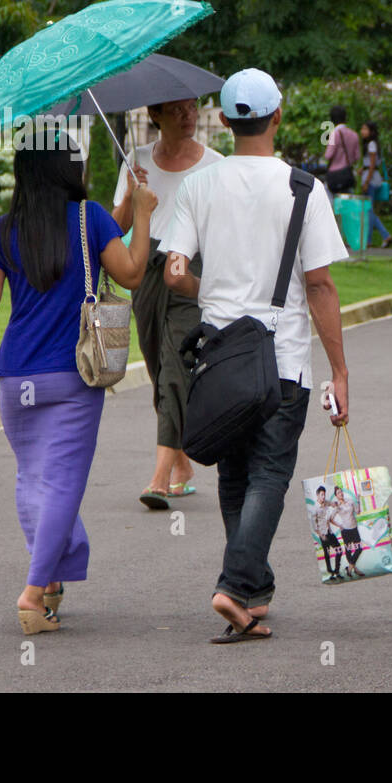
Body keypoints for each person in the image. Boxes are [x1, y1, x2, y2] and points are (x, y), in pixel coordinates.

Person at [162, 68, 350, 643]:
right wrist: (340, 371)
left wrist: (212, 289)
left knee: (236, 474)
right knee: (270, 470)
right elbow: (318, 285)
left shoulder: (199, 185)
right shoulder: (303, 188)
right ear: (279, 115)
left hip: (219, 359)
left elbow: (174, 274)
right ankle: (236, 586)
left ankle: (255, 588)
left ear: (222, 119)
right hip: (283, 358)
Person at [0, 127, 156, 635]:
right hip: (73, 375)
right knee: (62, 483)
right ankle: (32, 590)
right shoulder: (89, 218)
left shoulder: (3, 230)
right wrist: (144, 210)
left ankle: (49, 584)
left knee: (33, 480)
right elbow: (133, 274)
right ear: (71, 168)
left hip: (16, 377)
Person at [112, 98, 225, 510]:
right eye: (177, 109)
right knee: (158, 368)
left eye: (193, 107)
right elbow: (117, 227)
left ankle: (159, 478)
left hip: (189, 263)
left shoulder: (216, 165)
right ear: (155, 115)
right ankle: (182, 465)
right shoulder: (136, 160)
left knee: (177, 367)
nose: (189, 115)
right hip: (147, 264)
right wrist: (130, 195)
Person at [359, 121, 392, 247]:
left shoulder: (371, 145)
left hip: (371, 179)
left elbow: (373, 164)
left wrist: (367, 180)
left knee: (368, 210)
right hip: (372, 177)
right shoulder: (372, 144)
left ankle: (381, 236)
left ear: (371, 131)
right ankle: (372, 239)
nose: (362, 131)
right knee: (369, 210)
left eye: (365, 129)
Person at [323, 105, 359, 196]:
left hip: (334, 175)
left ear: (332, 119)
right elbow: (357, 157)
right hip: (347, 174)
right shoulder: (354, 134)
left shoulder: (334, 134)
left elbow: (328, 155)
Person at [310, 486, 343, 583]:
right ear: (317, 495)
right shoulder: (315, 509)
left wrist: (336, 504)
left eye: (324, 494)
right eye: (321, 495)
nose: (323, 497)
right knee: (327, 553)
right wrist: (320, 535)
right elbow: (314, 525)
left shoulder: (326, 502)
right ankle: (330, 572)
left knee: (339, 550)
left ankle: (337, 571)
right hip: (323, 534)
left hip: (330, 532)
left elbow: (332, 504)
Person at [331, 486, 364, 579]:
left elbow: (357, 512)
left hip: (354, 528)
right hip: (345, 531)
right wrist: (339, 525)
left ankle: (349, 568)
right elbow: (331, 518)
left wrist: (358, 501)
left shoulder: (350, 501)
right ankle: (355, 569)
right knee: (348, 550)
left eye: (341, 492)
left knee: (359, 548)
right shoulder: (337, 506)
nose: (340, 493)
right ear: (336, 496)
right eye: (338, 493)